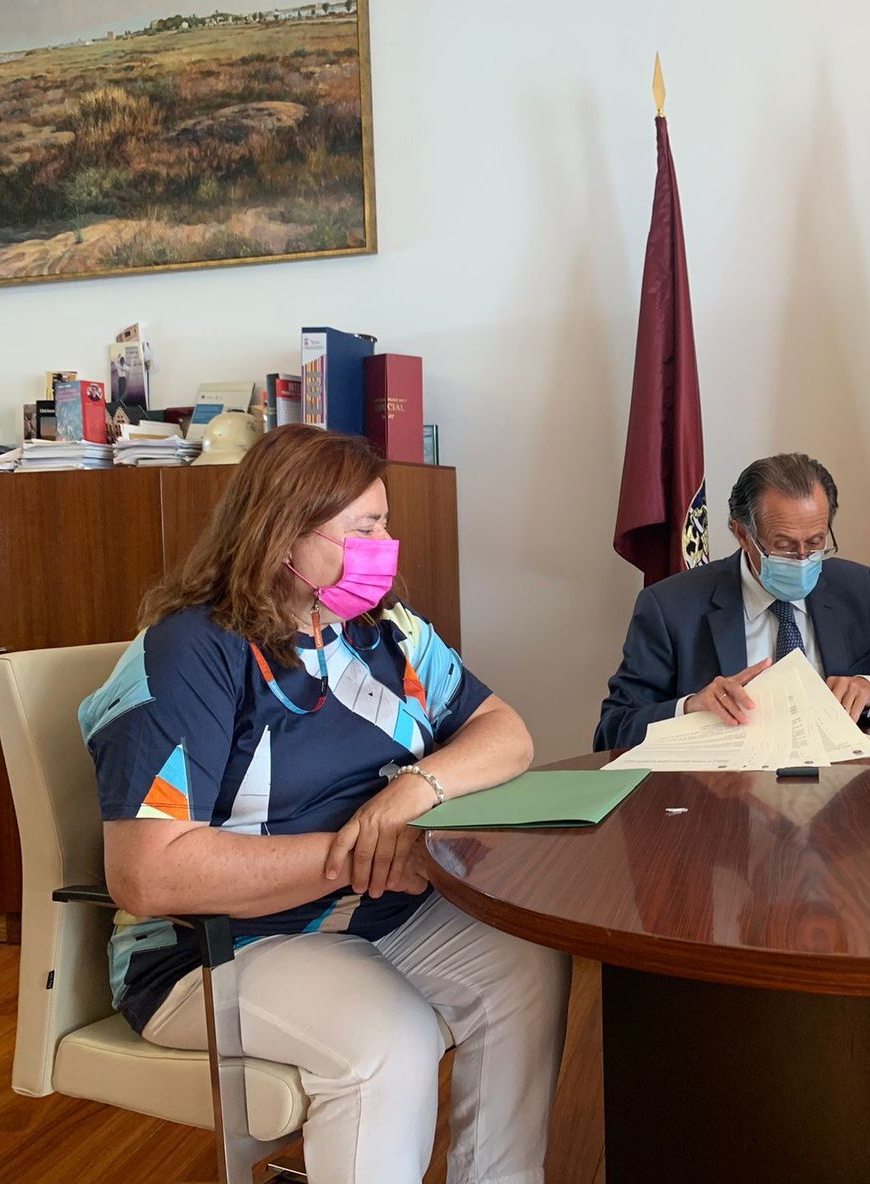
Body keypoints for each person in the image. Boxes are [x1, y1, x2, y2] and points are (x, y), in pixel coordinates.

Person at [80, 425, 568, 1184]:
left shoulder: (387, 633)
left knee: (527, 962)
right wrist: (364, 854)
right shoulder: (191, 653)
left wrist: (415, 790)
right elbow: (151, 876)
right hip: (215, 949)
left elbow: (505, 733)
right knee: (389, 1040)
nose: (387, 544)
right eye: (365, 528)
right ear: (283, 534)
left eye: (385, 523)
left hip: (376, 916)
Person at [594, 452, 870, 751]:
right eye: (784, 546)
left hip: (845, 804)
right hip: (721, 808)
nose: (804, 559)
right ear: (742, 534)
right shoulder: (670, 606)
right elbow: (612, 731)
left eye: (815, 543)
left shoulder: (855, 589)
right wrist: (691, 707)